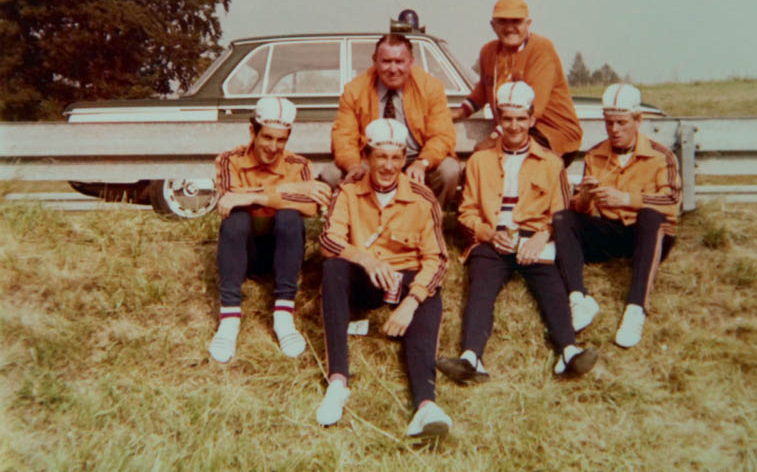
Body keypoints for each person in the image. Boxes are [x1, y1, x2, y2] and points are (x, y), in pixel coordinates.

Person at [437, 82, 598, 384]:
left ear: (532, 120)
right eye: (507, 118)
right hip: (494, 238)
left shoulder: (551, 163)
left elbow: (562, 214)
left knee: (552, 284)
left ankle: (568, 352)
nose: (514, 126)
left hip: (535, 238)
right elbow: (466, 212)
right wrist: (487, 232)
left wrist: (542, 235)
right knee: (482, 286)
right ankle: (471, 358)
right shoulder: (479, 161)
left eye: (521, 119)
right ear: (498, 120)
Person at [316, 118, 452, 438]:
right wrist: (363, 258)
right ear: (367, 155)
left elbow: (437, 259)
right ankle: (338, 381)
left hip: (404, 277)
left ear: (404, 158)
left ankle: (425, 405)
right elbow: (328, 240)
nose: (388, 166)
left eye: (395, 157)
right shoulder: (348, 191)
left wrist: (411, 301)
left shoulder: (422, 197)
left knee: (428, 292)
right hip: (365, 277)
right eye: (381, 156)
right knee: (333, 267)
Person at [553, 83, 681, 347]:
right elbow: (581, 210)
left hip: (648, 234)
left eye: (622, 123)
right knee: (563, 219)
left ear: (638, 120)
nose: (615, 130)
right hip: (611, 230)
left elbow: (672, 200)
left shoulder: (661, 156)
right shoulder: (596, 155)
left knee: (650, 217)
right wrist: (586, 197)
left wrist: (627, 199)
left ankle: (636, 309)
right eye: (609, 123)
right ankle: (578, 298)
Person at [208, 97, 332, 363]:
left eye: (281, 140)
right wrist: (291, 189)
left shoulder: (299, 165)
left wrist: (259, 197)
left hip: (283, 252)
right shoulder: (230, 160)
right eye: (267, 137)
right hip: (244, 253)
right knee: (236, 218)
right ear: (252, 132)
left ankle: (283, 313)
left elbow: (310, 209)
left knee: (289, 216)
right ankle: (229, 317)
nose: (273, 147)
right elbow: (228, 200)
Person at [320, 33, 460, 206]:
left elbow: (442, 136)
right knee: (331, 174)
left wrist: (422, 163)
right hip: (372, 160)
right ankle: (363, 213)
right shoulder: (354, 90)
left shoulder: (431, 87)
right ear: (375, 60)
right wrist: (353, 165)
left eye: (399, 62)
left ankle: (430, 214)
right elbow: (343, 136)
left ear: (411, 61)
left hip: (415, 157)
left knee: (449, 170)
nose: (393, 69)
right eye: (386, 61)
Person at [452, 0, 582, 167]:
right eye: (503, 21)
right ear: (493, 25)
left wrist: (493, 138)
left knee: (490, 161)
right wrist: (458, 113)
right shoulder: (488, 51)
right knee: (481, 163)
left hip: (551, 132)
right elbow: (484, 88)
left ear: (528, 24)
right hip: (514, 129)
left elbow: (535, 108)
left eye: (516, 21)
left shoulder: (541, 48)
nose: (509, 28)